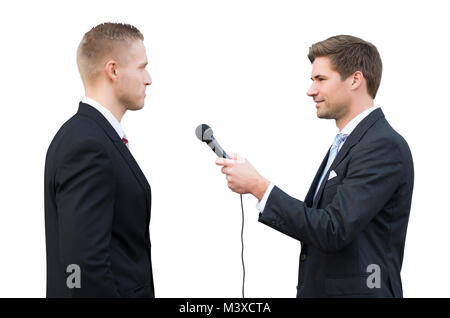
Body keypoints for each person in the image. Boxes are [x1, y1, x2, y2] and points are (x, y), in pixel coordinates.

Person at [216, 35, 414, 298]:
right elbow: (318, 223)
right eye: (312, 80)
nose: (310, 90)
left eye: (320, 79)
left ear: (355, 80)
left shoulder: (382, 145)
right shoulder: (348, 143)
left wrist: (259, 187)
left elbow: (333, 229)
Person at [44, 23, 154, 297]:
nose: (149, 78)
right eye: (141, 67)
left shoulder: (91, 137)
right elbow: (80, 264)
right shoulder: (88, 145)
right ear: (113, 70)